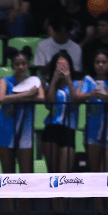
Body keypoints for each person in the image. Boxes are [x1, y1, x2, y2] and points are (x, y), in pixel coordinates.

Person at [76, 50, 108, 215]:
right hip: (92, 132)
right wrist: (91, 95)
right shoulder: (89, 80)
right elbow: (79, 96)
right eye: (97, 62)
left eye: (104, 62)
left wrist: (106, 97)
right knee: (95, 174)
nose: (101, 65)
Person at [0, 45, 42, 185]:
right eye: (17, 64)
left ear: (28, 64)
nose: (21, 66)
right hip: (5, 131)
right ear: (13, 65)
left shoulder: (35, 81)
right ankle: (9, 207)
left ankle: (24, 207)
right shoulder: (5, 80)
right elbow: (1, 99)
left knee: (26, 176)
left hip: (25, 133)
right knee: (8, 177)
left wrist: (15, 99)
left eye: (24, 63)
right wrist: (27, 95)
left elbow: (40, 98)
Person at [39, 51, 79, 199]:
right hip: (51, 129)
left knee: (64, 173)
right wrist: (55, 79)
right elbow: (48, 104)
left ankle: (64, 207)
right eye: (58, 64)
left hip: (69, 129)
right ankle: (56, 207)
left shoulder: (77, 83)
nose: (62, 66)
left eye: (65, 63)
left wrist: (68, 80)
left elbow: (76, 102)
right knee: (53, 172)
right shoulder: (48, 83)